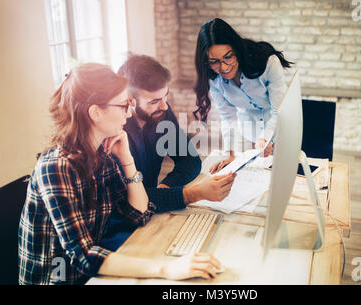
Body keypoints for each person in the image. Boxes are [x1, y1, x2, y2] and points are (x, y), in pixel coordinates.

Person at [18, 63, 221, 285]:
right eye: (124, 105)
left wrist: (127, 159)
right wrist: (166, 268)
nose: (129, 112)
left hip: (93, 273)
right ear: (95, 112)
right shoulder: (56, 167)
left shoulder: (103, 154)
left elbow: (139, 213)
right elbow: (84, 256)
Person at [99, 54, 236, 251]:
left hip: (152, 214)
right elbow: (125, 203)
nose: (164, 106)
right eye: (154, 101)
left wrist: (165, 189)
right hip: (122, 231)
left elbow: (190, 160)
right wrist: (191, 194)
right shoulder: (114, 133)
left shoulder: (160, 112)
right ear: (129, 101)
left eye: (165, 96)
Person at [194, 18, 293, 174]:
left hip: (279, 125)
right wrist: (229, 154)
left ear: (237, 50)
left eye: (228, 57)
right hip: (249, 130)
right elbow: (228, 117)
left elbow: (278, 110)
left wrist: (265, 138)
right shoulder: (213, 79)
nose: (224, 67)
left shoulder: (268, 63)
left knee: (284, 174)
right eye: (214, 61)